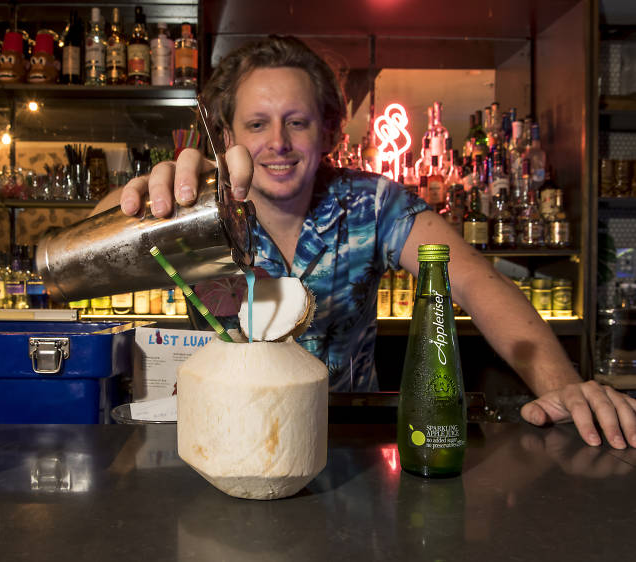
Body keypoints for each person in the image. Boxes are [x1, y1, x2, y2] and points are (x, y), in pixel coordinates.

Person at [94, 36, 636, 449]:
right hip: (221, 435)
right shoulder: (197, 214)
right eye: (257, 124)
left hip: (346, 441)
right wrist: (141, 208)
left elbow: (473, 280)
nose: (278, 143)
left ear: (328, 130)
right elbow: (78, 261)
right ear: (228, 136)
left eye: (298, 122)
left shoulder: (373, 204)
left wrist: (562, 386)